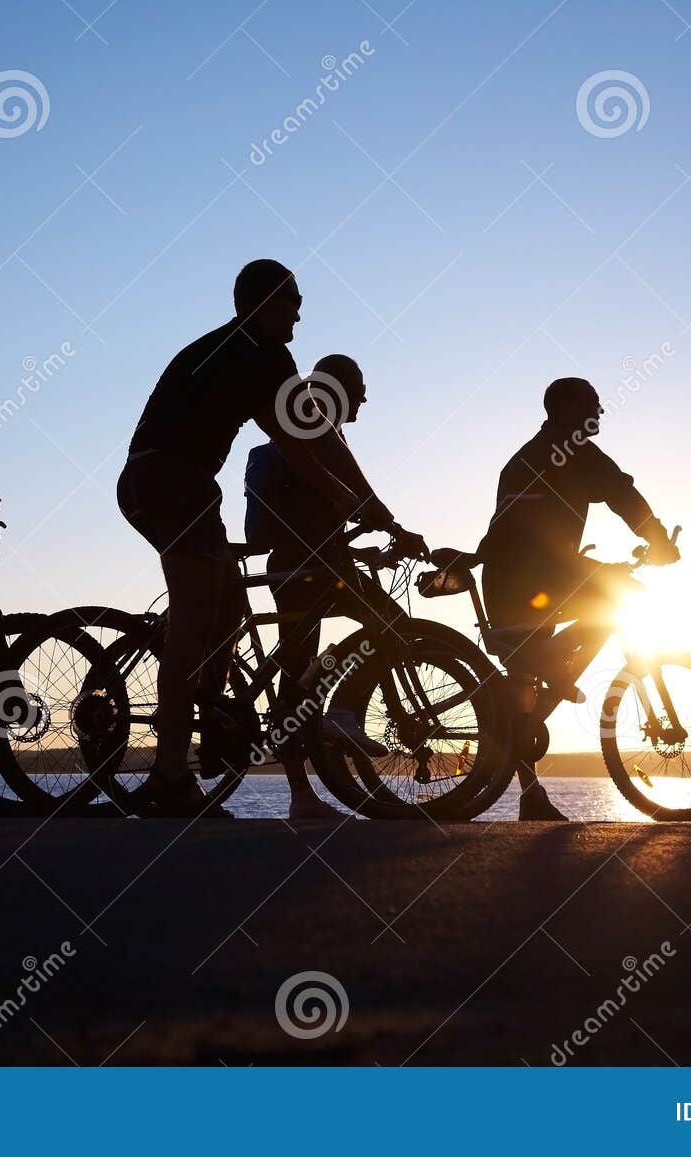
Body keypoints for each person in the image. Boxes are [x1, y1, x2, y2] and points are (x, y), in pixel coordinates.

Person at [117, 260, 420, 818]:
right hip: (177, 483)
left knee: (227, 609)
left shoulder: (227, 348)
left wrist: (355, 500)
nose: (300, 313)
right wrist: (362, 504)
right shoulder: (264, 354)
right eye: (293, 301)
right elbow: (305, 444)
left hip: (150, 481)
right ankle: (168, 774)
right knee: (192, 618)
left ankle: (213, 723)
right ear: (260, 303)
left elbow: (304, 438)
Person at [477, 376, 679, 821]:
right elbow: (621, 493)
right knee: (621, 591)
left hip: (514, 576)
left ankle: (531, 794)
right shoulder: (568, 453)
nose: (600, 412)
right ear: (565, 409)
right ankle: (557, 666)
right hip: (536, 575)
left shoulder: (530, 455)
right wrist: (658, 541)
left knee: (524, 686)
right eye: (592, 404)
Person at [244, 353, 390, 821]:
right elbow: (352, 486)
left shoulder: (312, 420)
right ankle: (342, 714)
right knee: (390, 624)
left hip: (305, 562)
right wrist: (391, 523)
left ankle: (302, 792)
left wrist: (360, 544)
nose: (365, 397)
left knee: (300, 669)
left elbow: (322, 507)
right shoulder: (313, 414)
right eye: (360, 386)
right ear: (339, 384)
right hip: (310, 567)